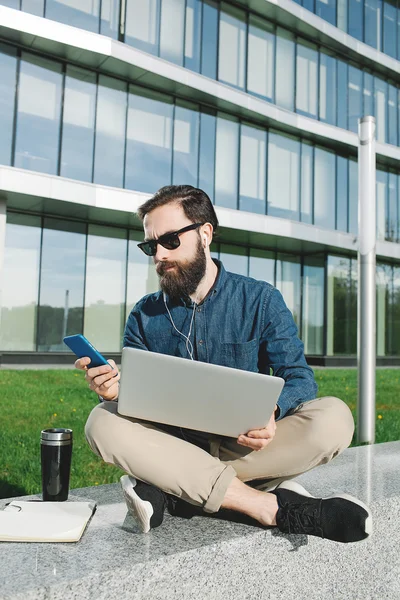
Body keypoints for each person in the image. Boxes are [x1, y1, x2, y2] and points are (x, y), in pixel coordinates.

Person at [77, 185, 372, 543]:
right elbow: (135, 403)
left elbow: (299, 377)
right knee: (101, 422)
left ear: (205, 234)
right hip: (173, 444)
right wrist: (115, 390)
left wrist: (274, 412)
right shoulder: (144, 314)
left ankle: (173, 488)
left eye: (170, 240)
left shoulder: (260, 299)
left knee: (334, 419)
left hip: (243, 449)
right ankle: (270, 507)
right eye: (150, 246)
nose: (159, 256)